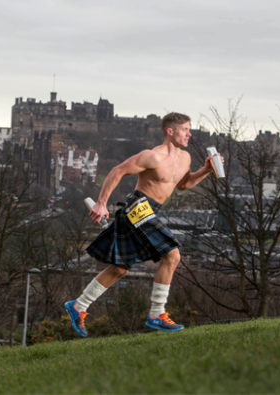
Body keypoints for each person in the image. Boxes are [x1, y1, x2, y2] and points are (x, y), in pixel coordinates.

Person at [65, 112, 222, 337]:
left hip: (151, 211)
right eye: (186, 129)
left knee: (120, 268)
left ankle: (78, 306)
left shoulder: (185, 158)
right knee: (172, 255)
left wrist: (206, 170)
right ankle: (156, 314)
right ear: (170, 131)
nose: (190, 134)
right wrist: (101, 203)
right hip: (137, 206)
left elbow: (184, 185)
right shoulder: (153, 156)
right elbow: (117, 170)